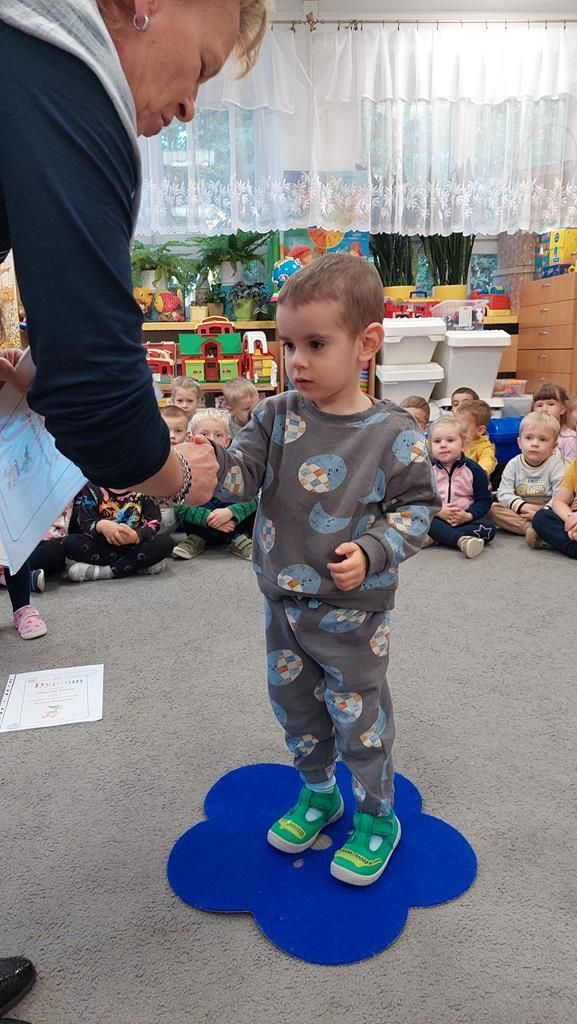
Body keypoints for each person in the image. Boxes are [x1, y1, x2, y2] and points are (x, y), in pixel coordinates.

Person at [209, 255, 440, 886]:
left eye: (316, 344)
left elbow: (418, 510)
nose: (297, 361)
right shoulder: (275, 415)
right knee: (296, 710)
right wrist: (205, 463)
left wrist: (373, 549)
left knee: (358, 719)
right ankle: (319, 792)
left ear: (367, 343)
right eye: (288, 345)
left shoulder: (394, 432)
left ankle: (377, 816)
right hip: (282, 602)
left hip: (353, 614)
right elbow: (238, 479)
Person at [0, 0, 270, 510]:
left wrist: (51, 361)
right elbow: (96, 395)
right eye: (201, 67)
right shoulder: (69, 70)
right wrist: (179, 475)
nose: (190, 107)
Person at [172, 410, 256, 561]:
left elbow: (254, 498)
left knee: (242, 496)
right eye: (204, 434)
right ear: (191, 438)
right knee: (190, 497)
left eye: (218, 435)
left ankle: (235, 537)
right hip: (200, 523)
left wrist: (230, 512)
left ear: (227, 440)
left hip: (231, 521)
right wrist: (207, 517)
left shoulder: (235, 466)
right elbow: (177, 503)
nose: (211, 439)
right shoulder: (186, 466)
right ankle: (203, 538)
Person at [63, 482, 174, 582]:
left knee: (165, 542)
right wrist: (101, 525)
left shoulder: (144, 485)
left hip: (135, 545)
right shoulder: (92, 486)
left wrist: (136, 536)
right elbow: (85, 523)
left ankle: (105, 571)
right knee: (70, 543)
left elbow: (153, 522)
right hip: (104, 545)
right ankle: (136, 564)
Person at [489, 411, 565, 546]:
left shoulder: (557, 465)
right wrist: (523, 507)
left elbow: (560, 497)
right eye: (529, 438)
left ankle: (543, 527)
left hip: (548, 510)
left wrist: (541, 513)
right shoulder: (513, 464)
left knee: (569, 506)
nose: (534, 444)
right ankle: (531, 529)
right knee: (492, 510)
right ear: (519, 442)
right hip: (520, 510)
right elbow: (504, 493)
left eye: (543, 439)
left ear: (554, 446)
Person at [427, 415, 496, 558]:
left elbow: (484, 501)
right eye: (437, 441)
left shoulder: (474, 470)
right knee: (421, 520)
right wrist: (438, 510)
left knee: (489, 529)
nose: (443, 445)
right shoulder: (427, 470)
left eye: (450, 440)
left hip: (464, 520)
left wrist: (468, 515)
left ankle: (439, 537)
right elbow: (421, 498)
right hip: (437, 518)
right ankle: (460, 540)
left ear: (463, 444)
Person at [532, 457, 577, 558]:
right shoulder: (575, 465)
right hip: (573, 519)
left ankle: (569, 546)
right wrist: (571, 521)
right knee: (541, 516)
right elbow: (559, 501)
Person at [531, 383, 576, 462]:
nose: (544, 409)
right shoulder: (530, 434)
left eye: (551, 404)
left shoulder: (569, 438)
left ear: (562, 409)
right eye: (539, 405)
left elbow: (571, 466)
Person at [455, 398, 497, 478]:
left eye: (462, 426)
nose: (457, 429)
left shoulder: (484, 446)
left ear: (480, 430)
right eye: (455, 424)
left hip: (474, 480)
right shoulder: (457, 441)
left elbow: (488, 460)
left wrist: (482, 471)